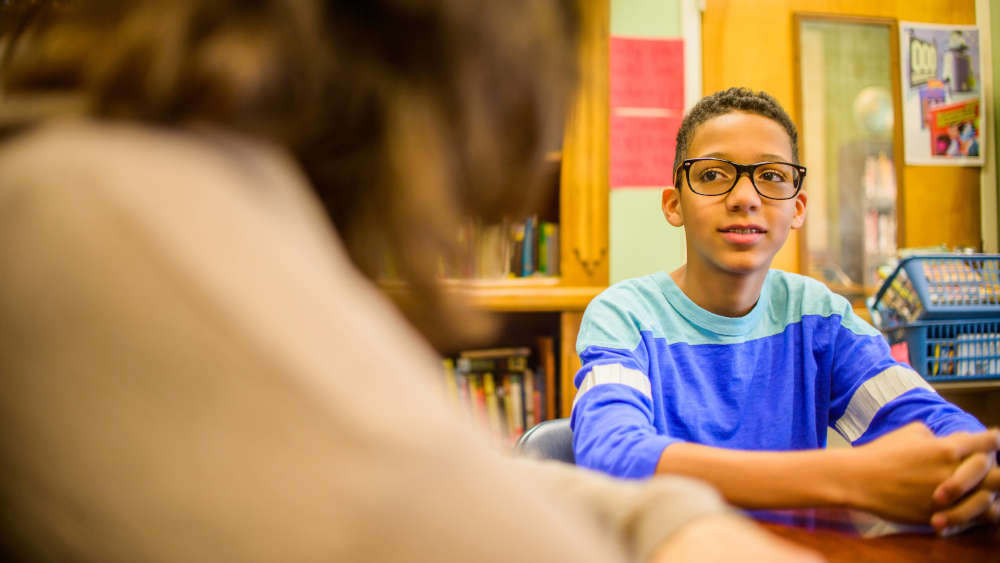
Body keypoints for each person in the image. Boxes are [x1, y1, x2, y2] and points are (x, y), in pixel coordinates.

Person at [0, 2, 822, 562]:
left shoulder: (185, 187)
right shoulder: (106, 208)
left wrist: (667, 519)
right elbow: (438, 516)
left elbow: (450, 474)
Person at [571, 86, 1000, 534]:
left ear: (797, 209)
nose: (744, 197)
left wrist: (970, 462)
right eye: (714, 175)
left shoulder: (818, 318)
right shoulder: (625, 316)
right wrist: (849, 481)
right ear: (674, 204)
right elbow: (611, 455)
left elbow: (933, 423)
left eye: (772, 176)